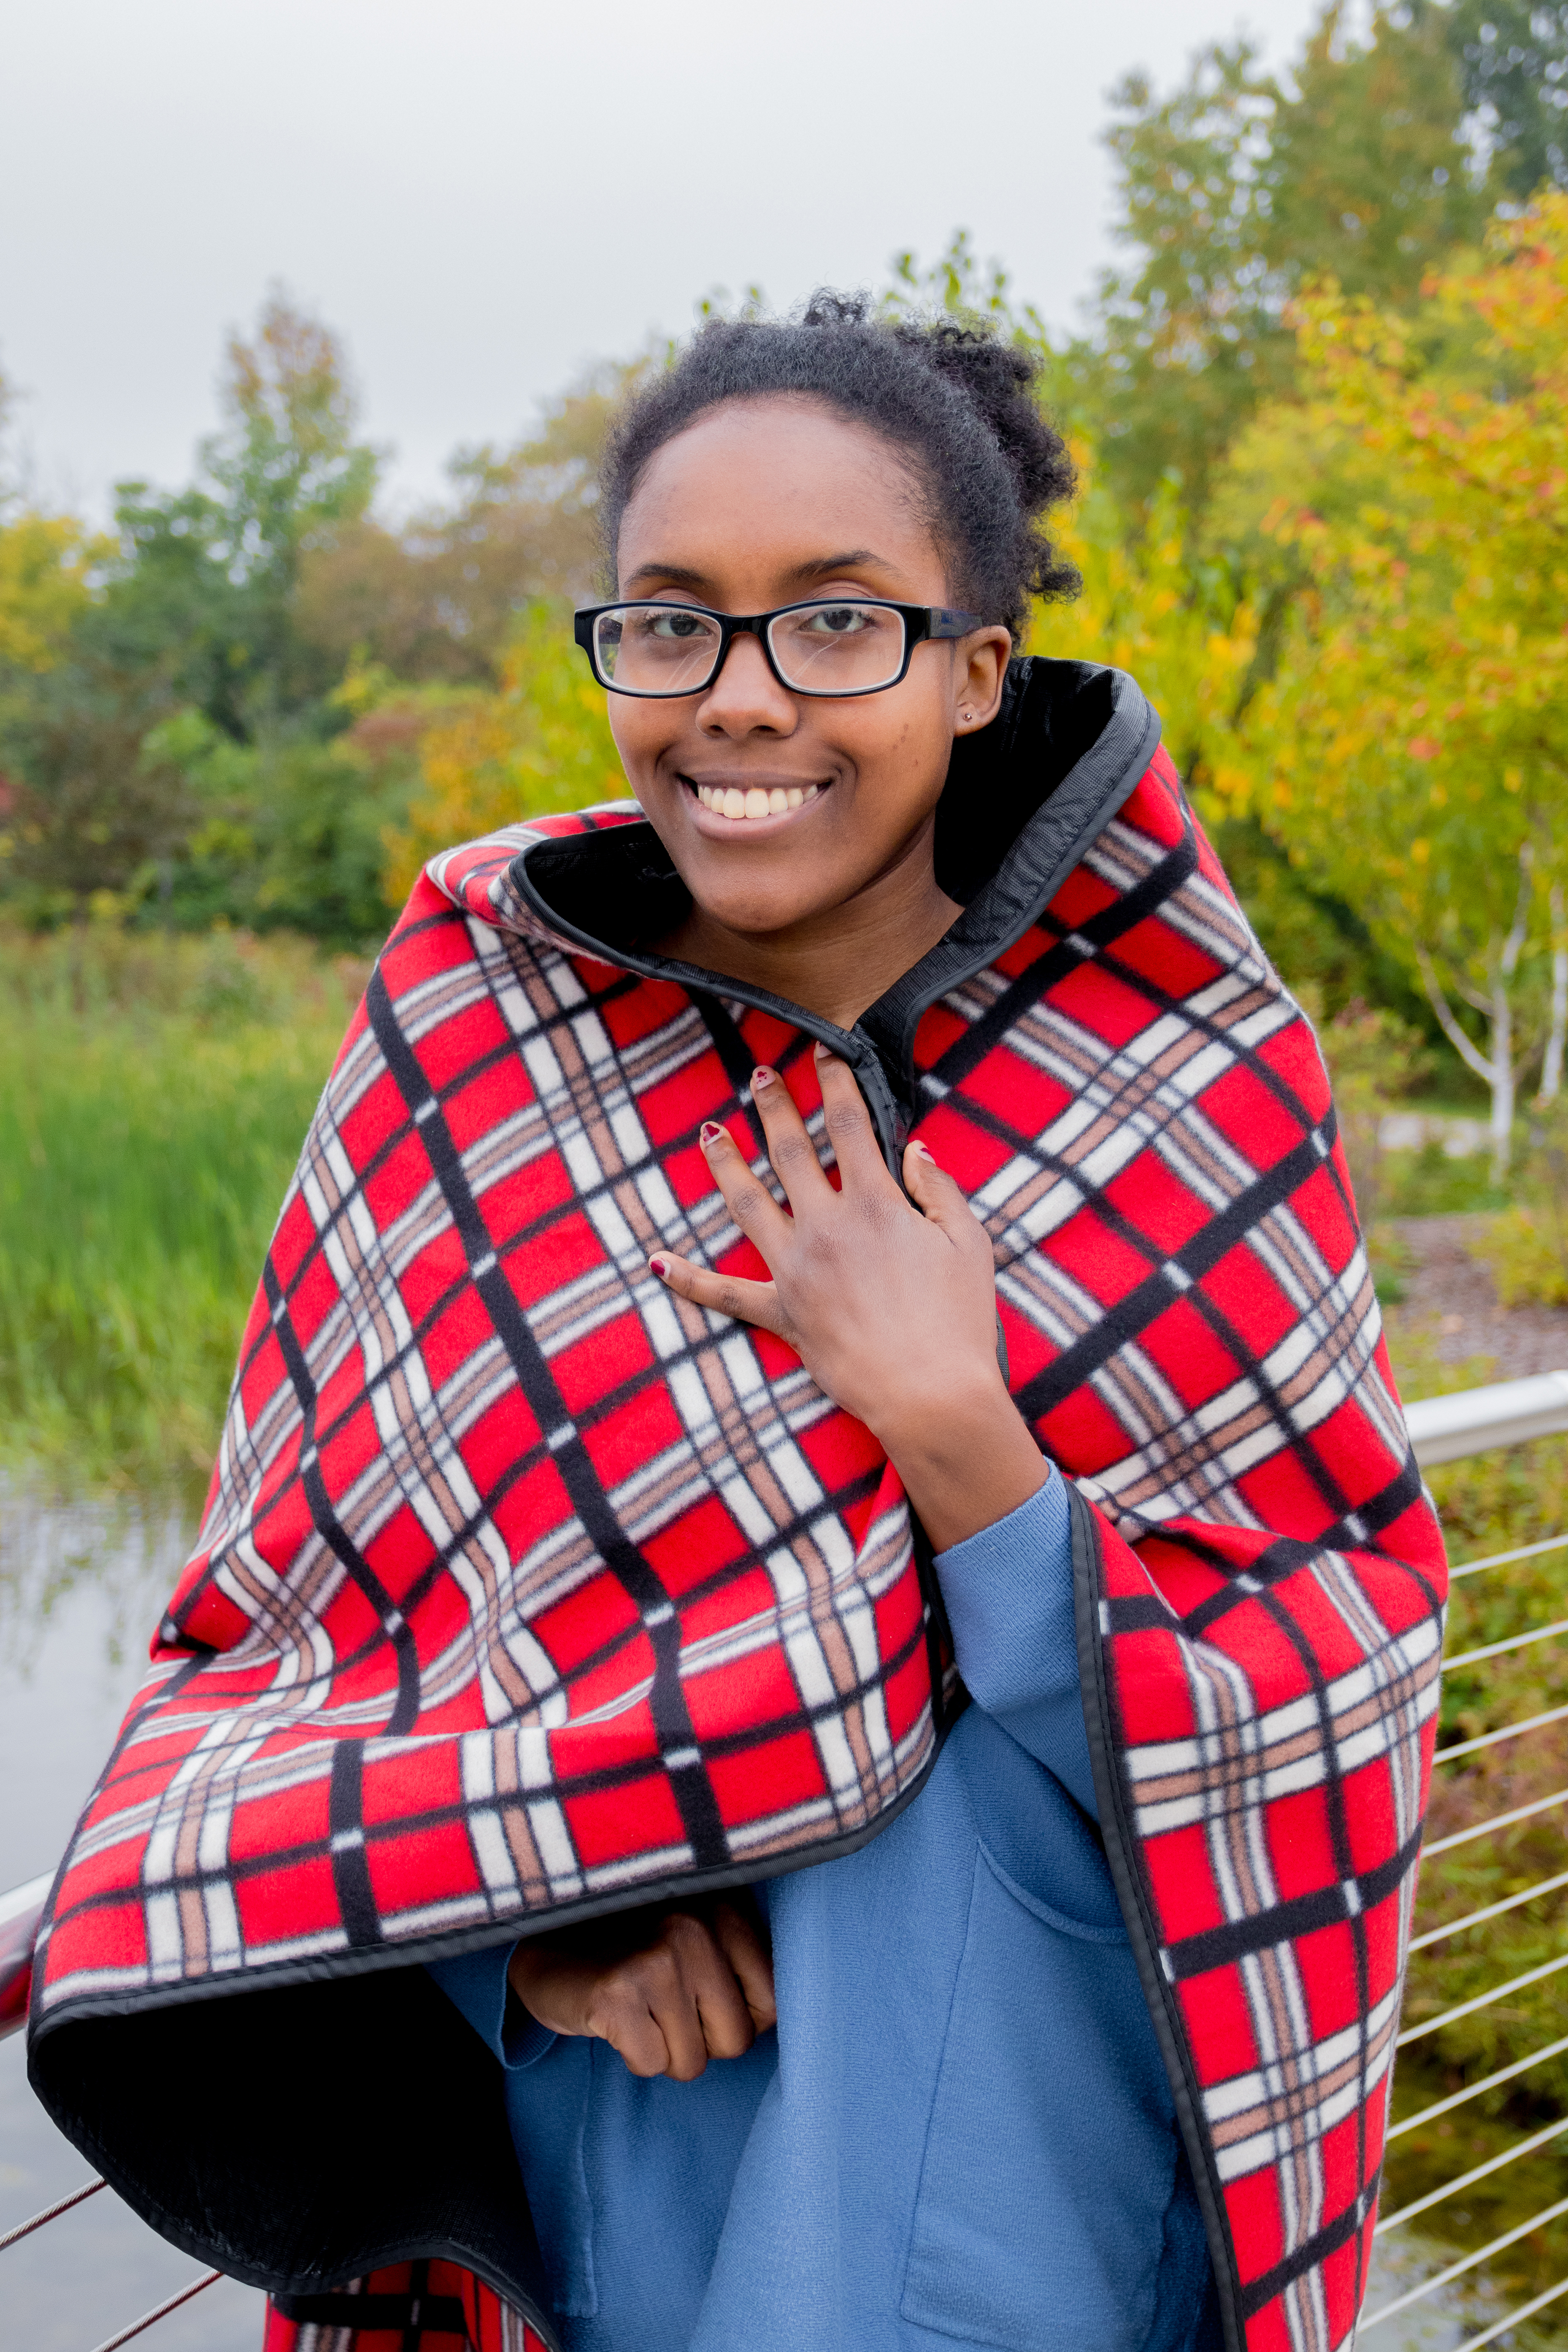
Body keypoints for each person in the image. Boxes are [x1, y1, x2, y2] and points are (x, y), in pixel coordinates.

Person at [29, 298, 1447, 2352]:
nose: (742, 698)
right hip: (608, 2193)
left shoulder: (1180, 1069)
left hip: (1004, 2193)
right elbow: (289, 1646)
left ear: (975, 668)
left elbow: (1333, 1664)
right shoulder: (467, 1045)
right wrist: (521, 1954)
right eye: (672, 621)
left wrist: (954, 1433)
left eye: (838, 622)